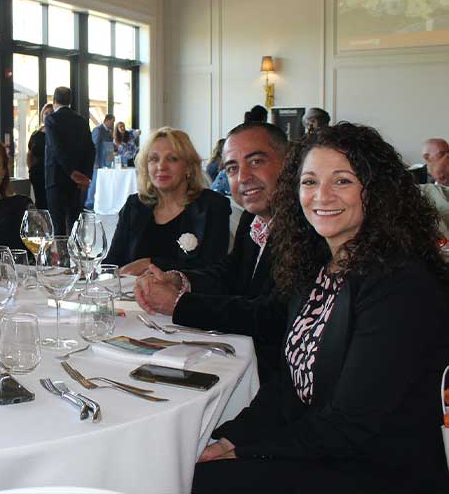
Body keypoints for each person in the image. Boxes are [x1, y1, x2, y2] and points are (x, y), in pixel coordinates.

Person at [192, 123, 449, 493]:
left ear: (376, 191)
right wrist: (231, 438)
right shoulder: (316, 268)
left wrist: (247, 452)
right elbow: (288, 385)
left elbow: (350, 423)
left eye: (342, 181)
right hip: (325, 448)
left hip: (379, 470)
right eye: (309, 182)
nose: (321, 196)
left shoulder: (400, 284)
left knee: (193, 482)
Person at [134, 122, 289, 383]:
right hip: (246, 358)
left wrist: (179, 304)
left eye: (256, 162)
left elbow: (272, 316)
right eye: (232, 168)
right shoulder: (253, 218)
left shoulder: (306, 229)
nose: (243, 177)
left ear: (288, 164)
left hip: (278, 376)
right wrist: (179, 280)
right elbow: (229, 274)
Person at [104, 127, 230, 275]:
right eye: (154, 159)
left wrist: (151, 263)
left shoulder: (212, 206)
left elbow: (212, 270)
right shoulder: (134, 205)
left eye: (172, 159)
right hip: (129, 290)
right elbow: (112, 262)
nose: (161, 166)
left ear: (188, 167)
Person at [44, 86, 95, 235]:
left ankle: (60, 250)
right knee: (74, 222)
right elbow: (91, 149)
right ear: (70, 101)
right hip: (77, 182)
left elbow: (57, 149)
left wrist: (71, 172)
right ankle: (75, 249)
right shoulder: (82, 121)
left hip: (56, 179)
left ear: (54, 100)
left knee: (57, 224)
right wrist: (86, 176)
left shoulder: (51, 120)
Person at [85, 114, 115, 209]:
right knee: (94, 184)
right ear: (107, 120)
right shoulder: (98, 130)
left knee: (103, 184)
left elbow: (110, 147)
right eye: (112, 122)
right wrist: (95, 162)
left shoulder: (109, 132)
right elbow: (94, 147)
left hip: (107, 163)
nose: (113, 124)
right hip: (98, 164)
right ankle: (89, 204)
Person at [27, 103, 53, 210]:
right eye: (46, 113)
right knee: (40, 201)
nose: (48, 115)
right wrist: (31, 170)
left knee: (51, 201)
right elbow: (30, 154)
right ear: (42, 116)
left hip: (52, 172)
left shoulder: (57, 133)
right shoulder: (36, 134)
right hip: (38, 173)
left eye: (51, 113)